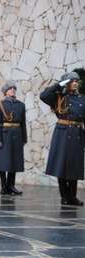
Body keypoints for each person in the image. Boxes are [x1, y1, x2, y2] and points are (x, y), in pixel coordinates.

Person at [40, 72, 84, 206]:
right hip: (62, 134)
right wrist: (59, 85)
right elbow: (43, 96)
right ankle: (64, 196)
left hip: (77, 134)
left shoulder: (82, 99)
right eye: (72, 81)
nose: (75, 83)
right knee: (61, 166)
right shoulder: (59, 98)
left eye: (76, 81)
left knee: (74, 167)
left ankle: (73, 197)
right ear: (67, 83)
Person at [0, 80, 27, 195]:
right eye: (10, 89)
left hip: (17, 135)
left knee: (14, 161)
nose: (12, 90)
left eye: (14, 88)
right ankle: (4, 186)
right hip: (4, 135)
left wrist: (24, 138)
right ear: (5, 92)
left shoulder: (21, 105)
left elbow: (23, 123)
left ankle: (11, 185)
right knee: (3, 161)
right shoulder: (0, 104)